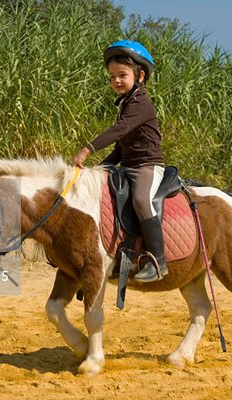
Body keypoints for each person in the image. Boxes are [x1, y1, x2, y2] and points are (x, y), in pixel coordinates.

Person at [71, 40, 168, 283]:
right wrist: (100, 167)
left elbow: (119, 130)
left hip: (147, 166)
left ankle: (158, 260)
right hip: (127, 166)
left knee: (140, 199)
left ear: (140, 75)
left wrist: (87, 150)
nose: (116, 80)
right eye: (112, 76)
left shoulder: (141, 104)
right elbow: (120, 147)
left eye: (122, 75)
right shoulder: (127, 104)